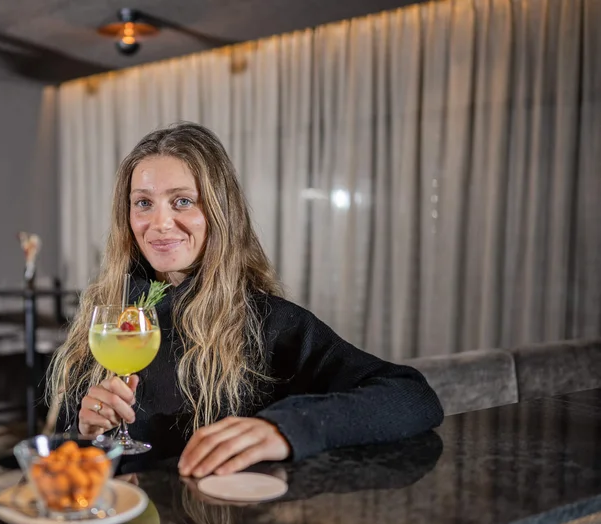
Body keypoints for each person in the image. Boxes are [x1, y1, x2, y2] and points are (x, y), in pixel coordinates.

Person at [47, 122, 443, 478]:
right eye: (143, 203)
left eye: (182, 200)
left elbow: (412, 396)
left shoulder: (270, 323)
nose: (159, 223)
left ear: (221, 212)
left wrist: (283, 429)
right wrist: (85, 432)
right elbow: (64, 460)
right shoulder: (106, 321)